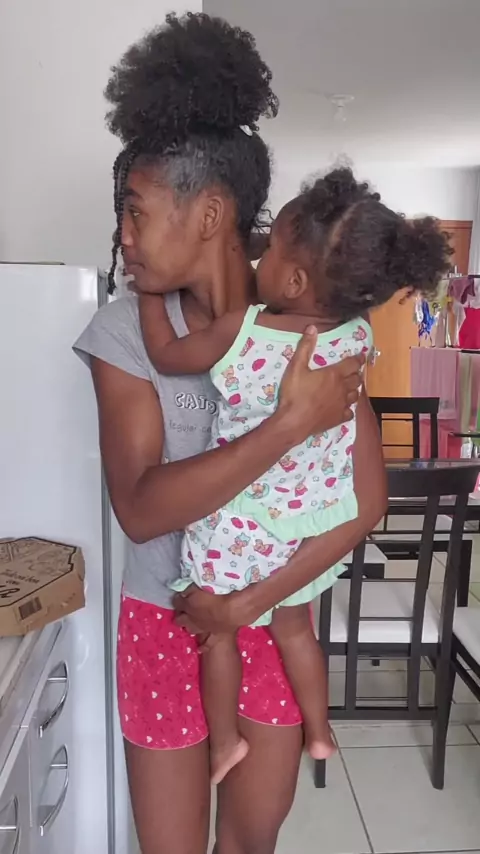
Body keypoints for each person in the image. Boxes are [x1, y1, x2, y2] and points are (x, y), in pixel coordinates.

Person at [74, 13, 389, 854]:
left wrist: (247, 605)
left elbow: (366, 503)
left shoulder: (312, 321)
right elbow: (143, 508)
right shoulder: (123, 332)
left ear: (209, 213)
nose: (123, 235)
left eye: (136, 211)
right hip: (165, 617)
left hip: (272, 613)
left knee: (251, 843)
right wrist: (289, 424)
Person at [139, 167, 452, 785]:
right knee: (294, 629)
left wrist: (151, 293)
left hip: (240, 520)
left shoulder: (243, 331)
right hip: (307, 518)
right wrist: (275, 247)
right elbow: (304, 280)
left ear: (295, 279)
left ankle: (224, 742)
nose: (259, 257)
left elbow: (167, 356)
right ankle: (320, 732)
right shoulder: (355, 336)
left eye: (272, 248)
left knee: (218, 633)